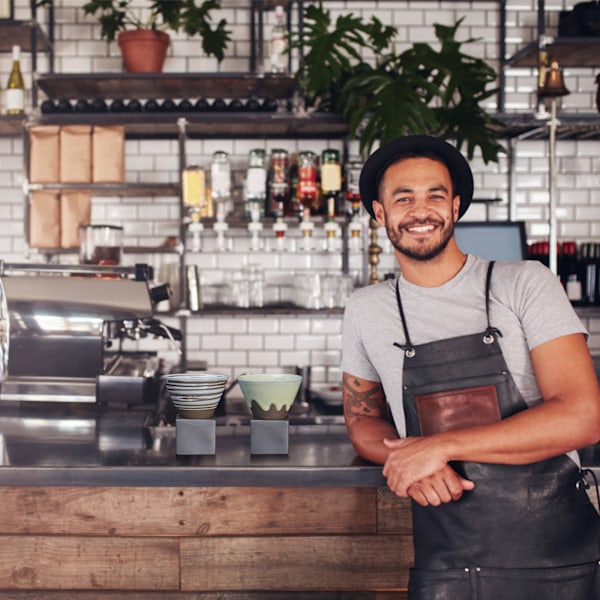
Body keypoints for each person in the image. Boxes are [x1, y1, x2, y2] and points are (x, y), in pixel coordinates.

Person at [341, 134, 600, 599]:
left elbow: (584, 416)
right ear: (380, 213)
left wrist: (435, 448)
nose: (421, 211)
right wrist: (408, 460)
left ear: (456, 206)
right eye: (403, 198)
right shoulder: (367, 309)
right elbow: (361, 419)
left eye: (435, 196)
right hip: (446, 567)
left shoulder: (525, 284)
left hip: (558, 561)